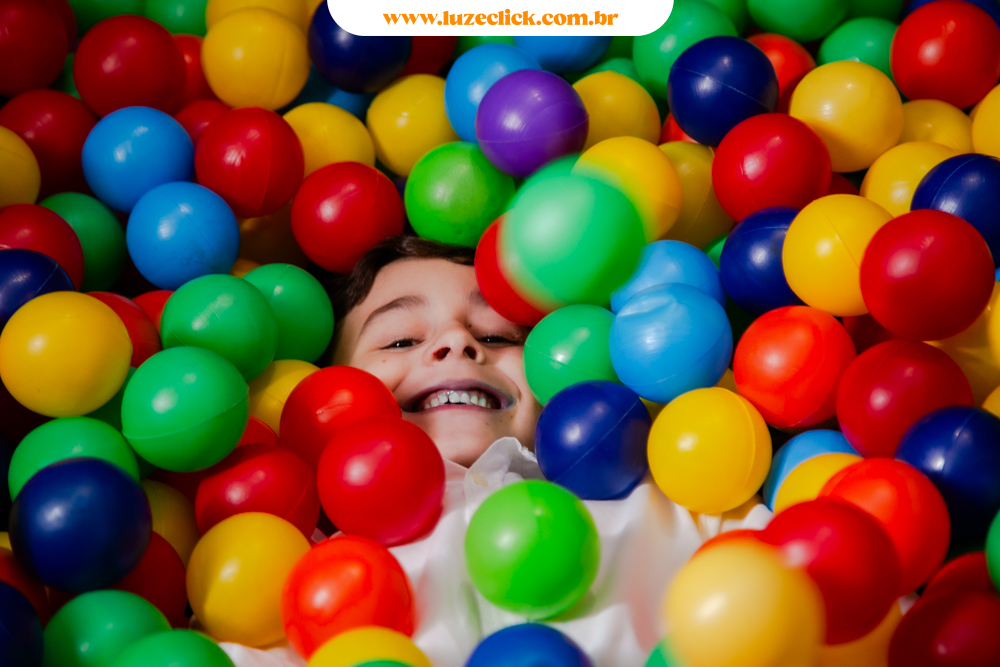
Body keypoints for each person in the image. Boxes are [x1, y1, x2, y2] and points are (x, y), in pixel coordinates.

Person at [220, 236, 771, 667]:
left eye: (498, 335)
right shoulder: (302, 561)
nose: (457, 341)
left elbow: (777, 584)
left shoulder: (672, 496)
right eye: (401, 340)